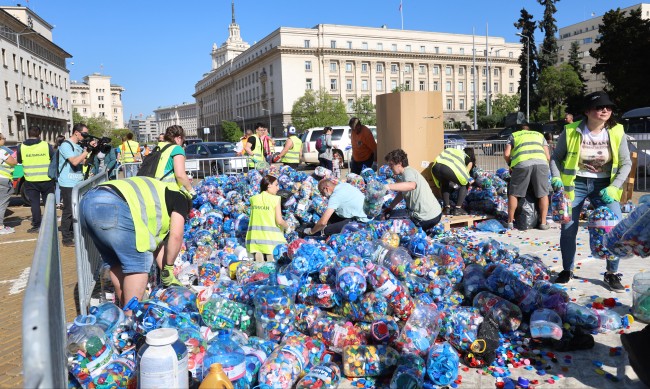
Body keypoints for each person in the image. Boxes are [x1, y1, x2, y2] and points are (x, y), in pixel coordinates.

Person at [551, 91, 632, 292]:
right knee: (568, 228)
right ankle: (567, 270)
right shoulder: (570, 131)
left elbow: (626, 163)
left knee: (614, 229)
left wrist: (614, 187)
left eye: (609, 107)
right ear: (587, 111)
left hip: (605, 186)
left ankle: (612, 273)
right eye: (599, 107)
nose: (605, 110)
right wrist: (555, 177)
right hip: (576, 184)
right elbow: (556, 158)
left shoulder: (616, 131)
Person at [79, 176, 190, 307]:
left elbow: (157, 247)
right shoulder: (182, 198)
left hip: (86, 203)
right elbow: (176, 236)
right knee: (139, 263)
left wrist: (168, 273)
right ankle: (131, 318)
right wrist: (169, 269)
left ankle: (125, 313)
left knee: (117, 262)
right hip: (111, 204)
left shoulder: (157, 194)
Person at [504, 125, 551, 230]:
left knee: (514, 192)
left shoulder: (514, 135)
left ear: (519, 130)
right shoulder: (539, 135)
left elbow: (507, 154)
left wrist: (511, 164)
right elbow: (548, 156)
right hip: (541, 163)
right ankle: (543, 223)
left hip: (522, 164)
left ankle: (510, 222)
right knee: (543, 193)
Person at [383, 149, 443, 231]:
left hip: (424, 218)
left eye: (391, 165)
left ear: (399, 163)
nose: (390, 168)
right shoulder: (409, 173)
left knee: (387, 217)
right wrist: (391, 206)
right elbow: (402, 192)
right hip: (436, 214)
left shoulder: (408, 172)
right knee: (391, 212)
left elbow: (412, 185)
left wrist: (388, 186)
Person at [58, 123, 96, 246]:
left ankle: (74, 233)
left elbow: (84, 162)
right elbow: (74, 162)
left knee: (77, 209)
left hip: (78, 182)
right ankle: (66, 238)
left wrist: (94, 151)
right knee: (68, 210)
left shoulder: (78, 146)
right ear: (76, 132)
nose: (85, 137)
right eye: (84, 134)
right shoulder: (65, 145)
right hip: (68, 183)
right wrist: (87, 151)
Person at [18, 126, 56, 233]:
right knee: (48, 203)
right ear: (39, 134)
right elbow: (53, 158)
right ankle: (51, 224)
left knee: (34, 203)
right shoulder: (46, 145)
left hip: (30, 179)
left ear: (28, 134)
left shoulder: (21, 147)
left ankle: (36, 225)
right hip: (46, 179)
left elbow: (20, 160)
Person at [245, 175, 288, 261]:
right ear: (269, 185)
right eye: (276, 185)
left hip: (255, 240)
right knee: (271, 267)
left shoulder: (253, 199)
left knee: (259, 266)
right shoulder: (275, 199)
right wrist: (287, 226)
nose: (278, 188)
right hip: (272, 240)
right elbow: (279, 221)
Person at [430, 147, 473, 216]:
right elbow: (466, 174)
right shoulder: (467, 157)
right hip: (447, 169)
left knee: (445, 184)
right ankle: (458, 209)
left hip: (435, 167)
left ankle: (447, 208)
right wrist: (469, 180)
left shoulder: (453, 151)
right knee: (465, 183)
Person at [154, 125, 193, 193]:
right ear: (179, 138)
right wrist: (191, 190)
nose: (182, 143)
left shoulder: (158, 147)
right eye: (183, 141)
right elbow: (180, 175)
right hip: (169, 191)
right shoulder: (176, 149)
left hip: (155, 188)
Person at [0, 133, 17, 235]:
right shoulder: (2, 151)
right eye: (3, 138)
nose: (4, 140)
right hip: (3, 180)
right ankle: (1, 227)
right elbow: (13, 162)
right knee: (2, 203)